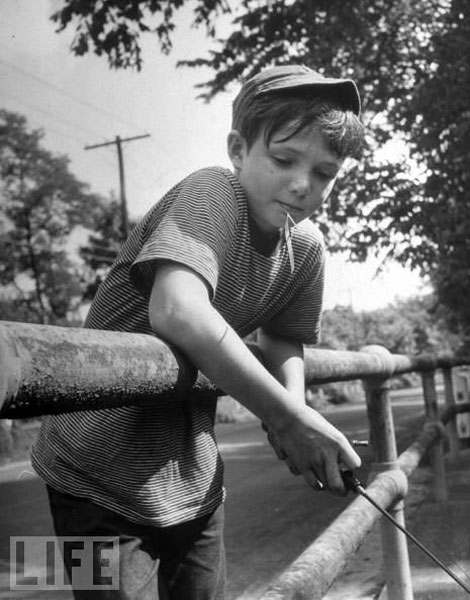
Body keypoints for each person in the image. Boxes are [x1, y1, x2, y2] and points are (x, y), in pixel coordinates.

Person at [32, 64, 365, 599]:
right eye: (283, 160)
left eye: (324, 173)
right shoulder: (210, 192)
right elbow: (177, 310)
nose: (303, 185)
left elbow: (283, 340)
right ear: (238, 149)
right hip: (86, 477)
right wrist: (286, 414)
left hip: (191, 482)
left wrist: (292, 417)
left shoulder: (306, 248)